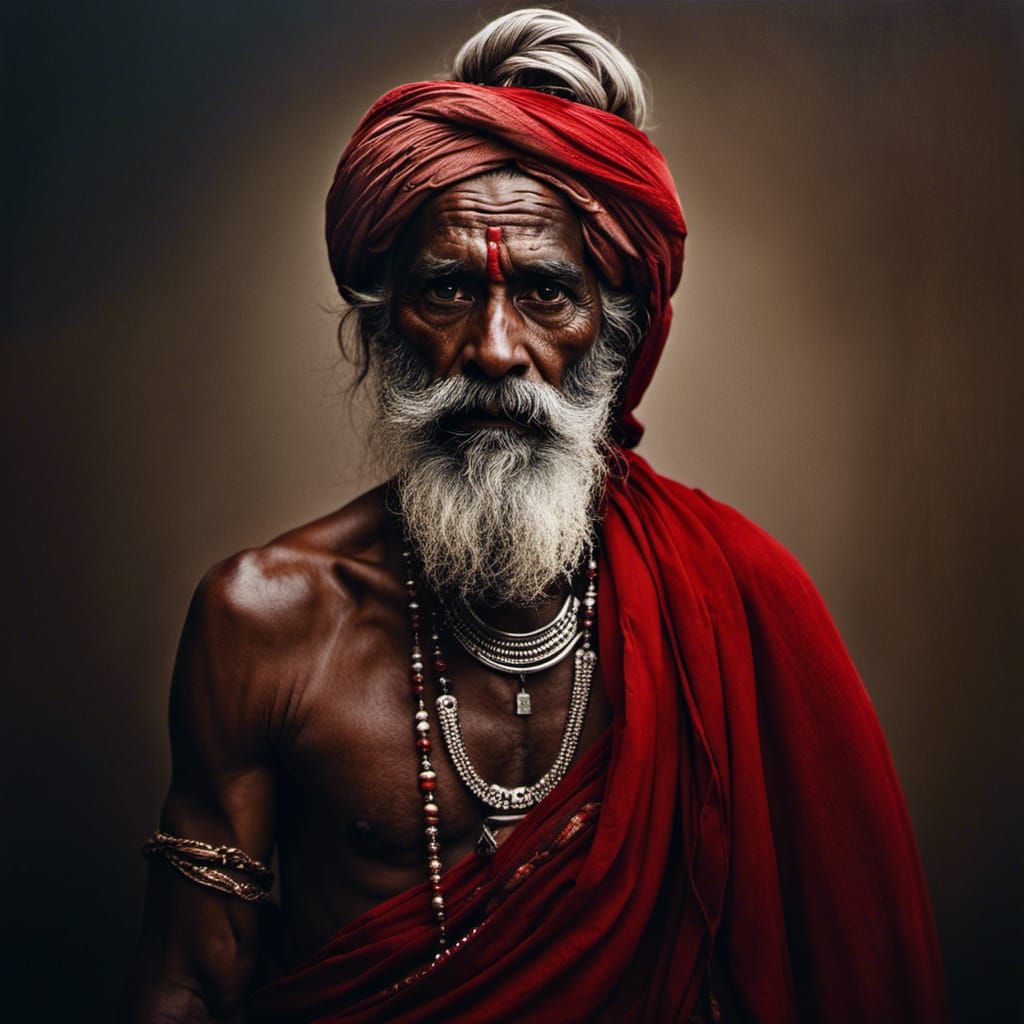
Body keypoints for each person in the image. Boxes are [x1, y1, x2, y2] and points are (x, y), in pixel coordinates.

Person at [127, 9, 946, 1022]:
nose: (496, 349)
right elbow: (190, 985)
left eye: (548, 293)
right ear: (381, 332)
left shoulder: (734, 594)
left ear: (620, 334)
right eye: (447, 289)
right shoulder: (265, 622)